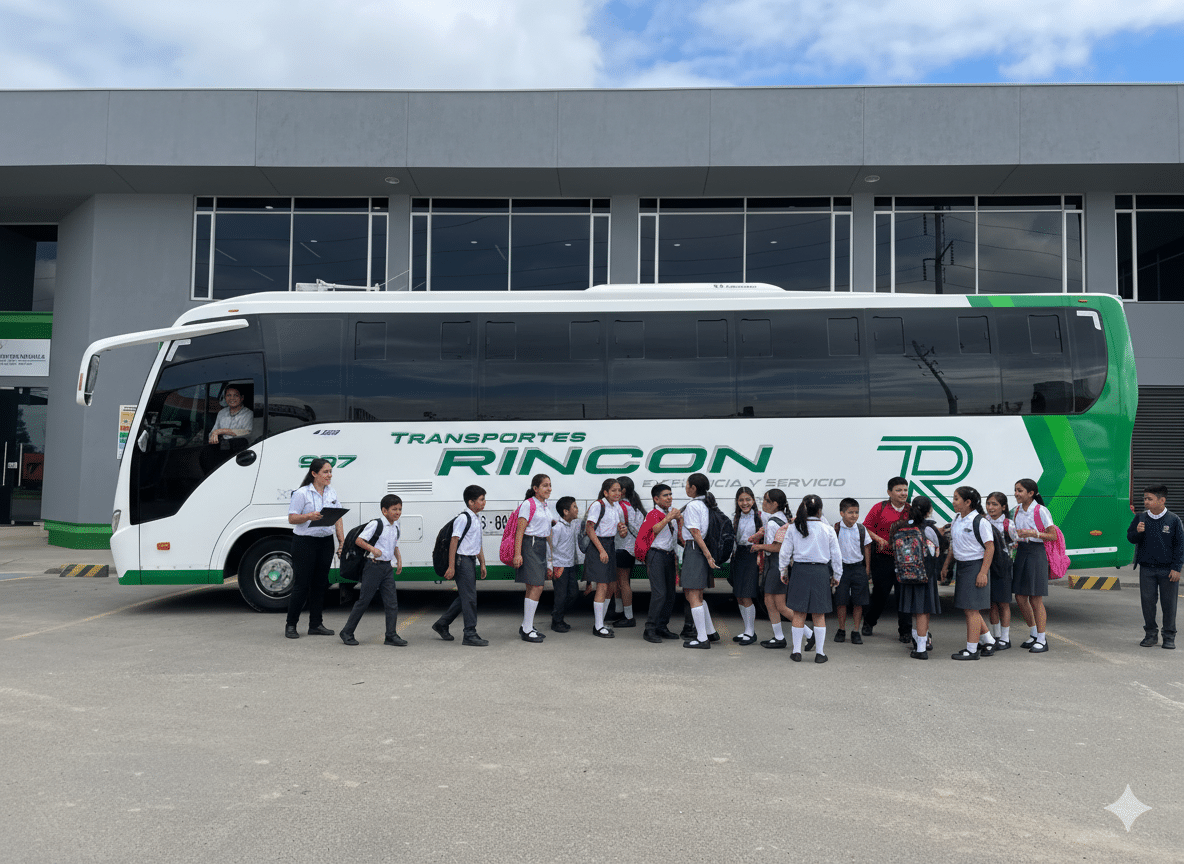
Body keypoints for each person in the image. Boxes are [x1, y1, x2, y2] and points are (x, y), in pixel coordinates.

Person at [285, 458, 345, 639]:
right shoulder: (302, 493)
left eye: (330, 471)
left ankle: (316, 624)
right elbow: (292, 518)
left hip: (325, 542)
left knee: (321, 584)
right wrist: (308, 516)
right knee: (302, 585)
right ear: (314, 474)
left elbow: (338, 517)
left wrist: (341, 542)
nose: (329, 475)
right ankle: (291, 624)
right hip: (305, 543)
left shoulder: (331, 492)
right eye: (326, 472)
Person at [778, 494, 842, 663]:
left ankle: (796, 652)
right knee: (819, 615)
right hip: (821, 572)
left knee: (799, 614)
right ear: (820, 510)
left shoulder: (794, 528)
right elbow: (836, 555)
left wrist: (783, 571)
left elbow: (785, 553)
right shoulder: (827, 529)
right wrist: (837, 575)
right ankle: (820, 653)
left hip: (800, 571)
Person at [339, 494, 406, 647]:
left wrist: (399, 560)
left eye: (400, 509)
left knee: (392, 603)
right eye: (394, 509)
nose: (398, 512)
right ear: (384, 511)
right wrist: (372, 549)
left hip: (386, 568)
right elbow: (359, 540)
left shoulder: (396, 526)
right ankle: (347, 632)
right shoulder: (376, 524)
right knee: (364, 601)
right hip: (373, 567)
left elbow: (395, 545)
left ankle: (391, 635)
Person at [941, 486, 997, 661]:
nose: (953, 502)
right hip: (962, 567)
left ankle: (972, 650)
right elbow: (954, 545)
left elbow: (990, 548)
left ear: (968, 502)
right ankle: (989, 640)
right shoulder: (957, 519)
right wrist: (946, 565)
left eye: (956, 498)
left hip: (975, 566)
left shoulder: (980, 522)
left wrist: (983, 573)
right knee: (969, 608)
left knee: (972, 610)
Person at [432, 485, 489, 647]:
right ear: (471, 502)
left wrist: (482, 563)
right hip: (461, 561)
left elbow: (477, 543)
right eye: (481, 499)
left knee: (466, 596)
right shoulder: (463, 519)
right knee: (470, 598)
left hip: (470, 560)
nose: (484, 502)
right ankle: (469, 633)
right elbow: (454, 541)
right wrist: (451, 566)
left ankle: (442, 624)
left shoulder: (476, 518)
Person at [1128, 484, 1183, 650]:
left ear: (1162, 500)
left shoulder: (1173, 520)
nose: (1145, 501)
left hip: (1168, 570)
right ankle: (1150, 635)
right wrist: (1137, 532)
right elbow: (1131, 538)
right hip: (1147, 569)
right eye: (1145, 498)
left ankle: (1169, 636)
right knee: (1148, 603)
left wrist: (1177, 568)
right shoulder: (1140, 518)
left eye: (1149, 499)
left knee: (1169, 604)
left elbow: (1179, 546)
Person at [862, 477, 911, 641]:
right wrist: (878, 539)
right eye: (899, 490)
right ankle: (869, 622)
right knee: (880, 594)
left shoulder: (910, 510)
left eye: (905, 490)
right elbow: (866, 528)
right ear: (889, 492)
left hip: (905, 560)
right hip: (883, 559)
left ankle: (905, 631)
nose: (903, 493)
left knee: (904, 596)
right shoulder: (879, 508)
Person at [894, 496, 942, 660]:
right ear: (929, 511)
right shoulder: (929, 529)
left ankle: (921, 638)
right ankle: (921, 648)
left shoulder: (902, 527)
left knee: (916, 610)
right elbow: (936, 550)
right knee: (923, 610)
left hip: (906, 573)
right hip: (924, 574)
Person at [1012, 478, 1054, 654]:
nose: (1016, 493)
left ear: (1031, 493)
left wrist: (1034, 533)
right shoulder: (1017, 510)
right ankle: (1034, 632)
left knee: (1035, 598)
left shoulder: (1041, 510)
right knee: (1020, 597)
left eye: (1020, 490)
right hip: (1021, 552)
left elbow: (1053, 536)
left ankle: (1042, 640)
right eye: (1015, 490)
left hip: (1036, 553)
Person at [681, 472, 720, 649]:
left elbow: (695, 532)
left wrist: (707, 555)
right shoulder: (707, 503)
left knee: (692, 594)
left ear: (693, 488)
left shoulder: (693, 506)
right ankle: (710, 632)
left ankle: (702, 638)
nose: (686, 488)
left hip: (695, 550)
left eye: (687, 485)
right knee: (696, 594)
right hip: (701, 550)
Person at [638, 484, 681, 643]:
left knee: (670, 594)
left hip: (669, 555)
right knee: (660, 593)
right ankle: (649, 628)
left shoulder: (667, 513)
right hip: (656, 554)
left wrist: (678, 519)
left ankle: (662, 626)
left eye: (670, 494)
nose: (669, 497)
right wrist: (669, 518)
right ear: (656, 499)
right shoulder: (654, 513)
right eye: (665, 495)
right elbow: (655, 529)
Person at [512, 473, 553, 643]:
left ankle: (526, 626)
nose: (549, 488)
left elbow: (548, 532)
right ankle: (527, 629)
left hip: (541, 545)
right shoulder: (528, 504)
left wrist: (552, 555)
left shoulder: (544, 505)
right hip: (530, 545)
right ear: (535, 488)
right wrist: (518, 553)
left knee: (532, 587)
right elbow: (520, 530)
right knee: (537, 586)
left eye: (550, 485)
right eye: (545, 485)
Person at [585, 477, 627, 638]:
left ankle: (600, 622)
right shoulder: (598, 505)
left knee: (609, 585)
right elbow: (590, 529)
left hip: (610, 545)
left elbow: (618, 530)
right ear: (605, 492)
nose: (617, 493)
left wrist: (622, 531)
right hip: (599, 546)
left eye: (619, 490)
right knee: (602, 585)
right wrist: (602, 550)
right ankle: (598, 626)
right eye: (613, 490)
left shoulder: (616, 506)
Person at [751, 489, 790, 648]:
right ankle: (778, 637)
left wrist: (759, 546)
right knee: (768, 601)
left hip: (775, 565)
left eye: (766, 500)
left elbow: (778, 547)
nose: (763, 503)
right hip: (776, 565)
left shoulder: (774, 522)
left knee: (780, 605)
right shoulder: (781, 518)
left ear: (774, 504)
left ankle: (809, 633)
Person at [832, 497, 871, 645]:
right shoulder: (836, 529)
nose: (854, 515)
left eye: (856, 512)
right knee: (841, 601)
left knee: (858, 602)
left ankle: (856, 631)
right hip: (841, 569)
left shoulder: (861, 529)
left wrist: (867, 568)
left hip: (858, 568)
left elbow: (867, 548)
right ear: (842, 513)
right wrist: (833, 571)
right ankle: (841, 629)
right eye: (850, 512)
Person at [611, 476, 646, 628]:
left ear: (623, 490)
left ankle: (628, 616)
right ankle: (620, 611)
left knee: (623, 583)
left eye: (617, 488)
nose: (614, 491)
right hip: (630, 549)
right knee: (620, 582)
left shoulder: (620, 507)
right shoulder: (635, 506)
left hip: (622, 548)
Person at [985, 491, 1018, 649]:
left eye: (995, 504)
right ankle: (996, 636)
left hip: (1003, 566)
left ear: (1003, 507)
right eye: (988, 503)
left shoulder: (1008, 524)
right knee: (991, 603)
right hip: (988, 565)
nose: (990, 507)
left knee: (1003, 603)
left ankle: (1005, 638)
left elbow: (1015, 543)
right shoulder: (983, 521)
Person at [730, 487, 762, 645]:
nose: (745, 503)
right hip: (739, 556)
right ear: (737, 502)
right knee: (739, 595)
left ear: (753, 500)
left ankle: (750, 632)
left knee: (747, 594)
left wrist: (760, 556)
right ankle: (747, 630)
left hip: (752, 555)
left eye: (748, 499)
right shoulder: (736, 517)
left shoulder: (760, 517)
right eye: (741, 500)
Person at [548, 496, 581, 633]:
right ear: (566, 511)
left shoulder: (573, 524)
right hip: (559, 566)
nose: (577, 509)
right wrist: (550, 566)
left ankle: (557, 614)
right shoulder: (558, 528)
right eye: (574, 507)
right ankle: (557, 621)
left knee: (573, 593)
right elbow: (550, 548)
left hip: (570, 565)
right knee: (560, 596)